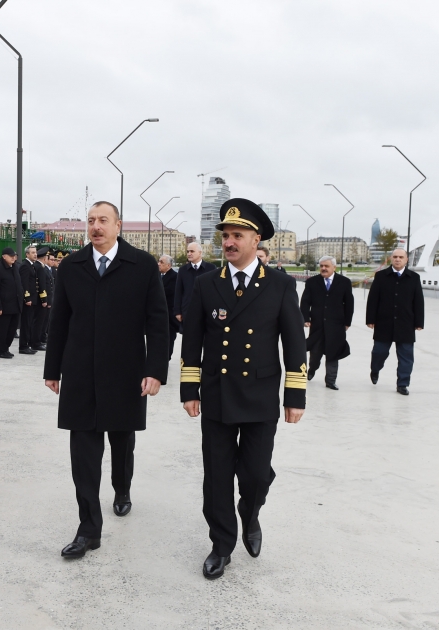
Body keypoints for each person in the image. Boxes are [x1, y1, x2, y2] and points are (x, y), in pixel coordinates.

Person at [179, 198, 306, 580]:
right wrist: (190, 388)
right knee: (217, 476)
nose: (229, 242)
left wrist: (294, 395)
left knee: (253, 475)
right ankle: (221, 544)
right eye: (226, 236)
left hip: (260, 396)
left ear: (256, 239)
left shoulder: (281, 284)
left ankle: (250, 517)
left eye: (237, 235)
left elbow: (295, 343)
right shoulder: (206, 285)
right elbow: (192, 342)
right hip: (217, 394)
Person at [43, 201, 170, 559]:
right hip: (81, 372)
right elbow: (60, 322)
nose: (95, 226)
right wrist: (53, 369)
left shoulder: (142, 265)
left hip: (125, 372)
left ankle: (122, 487)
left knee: (121, 439)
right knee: (83, 452)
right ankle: (88, 530)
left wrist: (155, 370)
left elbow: (157, 322)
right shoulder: (72, 266)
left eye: (103, 221)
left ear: (117, 226)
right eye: (90, 221)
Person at [366, 248, 424, 395]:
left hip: (406, 323)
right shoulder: (381, 276)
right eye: (395, 257)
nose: (398, 259)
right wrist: (370, 319)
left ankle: (402, 384)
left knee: (406, 356)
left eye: (401, 257)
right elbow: (373, 299)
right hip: (384, 322)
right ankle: (375, 369)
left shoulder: (414, 278)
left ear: (406, 260)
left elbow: (418, 301)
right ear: (391, 259)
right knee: (379, 352)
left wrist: (419, 322)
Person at [300, 256, 353, 390]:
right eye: (321, 266)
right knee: (315, 354)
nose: (323, 268)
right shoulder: (312, 282)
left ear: (334, 267)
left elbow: (349, 304)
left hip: (336, 325)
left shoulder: (344, 282)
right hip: (317, 325)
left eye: (326, 266)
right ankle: (312, 369)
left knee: (333, 353)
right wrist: (305, 318)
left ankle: (330, 380)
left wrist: (347, 322)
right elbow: (305, 301)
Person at [0, 247, 24, 359]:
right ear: (4, 256)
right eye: (11, 256)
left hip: (16, 305)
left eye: (14, 255)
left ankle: (6, 348)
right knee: (3, 330)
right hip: (4, 306)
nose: (13, 257)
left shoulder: (15, 267)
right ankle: (0, 350)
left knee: (12, 330)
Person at [173, 242, 216, 329]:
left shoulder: (211, 268)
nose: (189, 254)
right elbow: (178, 291)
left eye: (192, 251)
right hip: (187, 310)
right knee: (189, 340)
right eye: (188, 251)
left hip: (207, 311)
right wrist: (177, 311)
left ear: (200, 253)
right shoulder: (183, 270)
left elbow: (215, 290)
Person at [18, 246, 42, 354]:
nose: (35, 254)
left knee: (30, 322)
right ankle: (23, 346)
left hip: (33, 298)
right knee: (26, 323)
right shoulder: (25, 266)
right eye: (32, 252)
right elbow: (25, 283)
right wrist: (27, 297)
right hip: (28, 300)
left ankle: (27, 344)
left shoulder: (31, 265)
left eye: (35, 252)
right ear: (27, 254)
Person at [159, 255, 179, 360]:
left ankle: (166, 358)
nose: (159, 264)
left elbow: (168, 293)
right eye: (159, 261)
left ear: (168, 265)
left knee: (169, 338)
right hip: (158, 315)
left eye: (161, 262)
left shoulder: (175, 277)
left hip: (169, 315)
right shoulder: (157, 275)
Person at [37, 248, 55, 345]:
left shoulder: (48, 270)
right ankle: (40, 338)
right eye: (50, 259)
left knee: (46, 320)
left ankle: (43, 337)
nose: (52, 261)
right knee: (42, 321)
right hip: (45, 300)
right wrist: (46, 300)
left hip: (49, 299)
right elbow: (44, 286)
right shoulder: (43, 269)